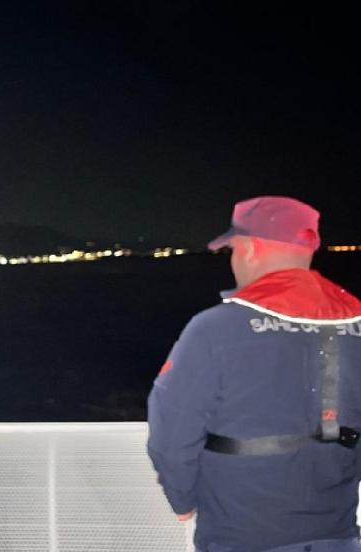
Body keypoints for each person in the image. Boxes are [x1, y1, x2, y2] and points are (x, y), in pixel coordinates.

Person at [147, 196, 361, 552]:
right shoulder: (357, 323)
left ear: (248, 249)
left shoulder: (213, 328)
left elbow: (172, 432)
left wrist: (181, 498)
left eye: (232, 250)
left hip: (241, 537)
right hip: (339, 535)